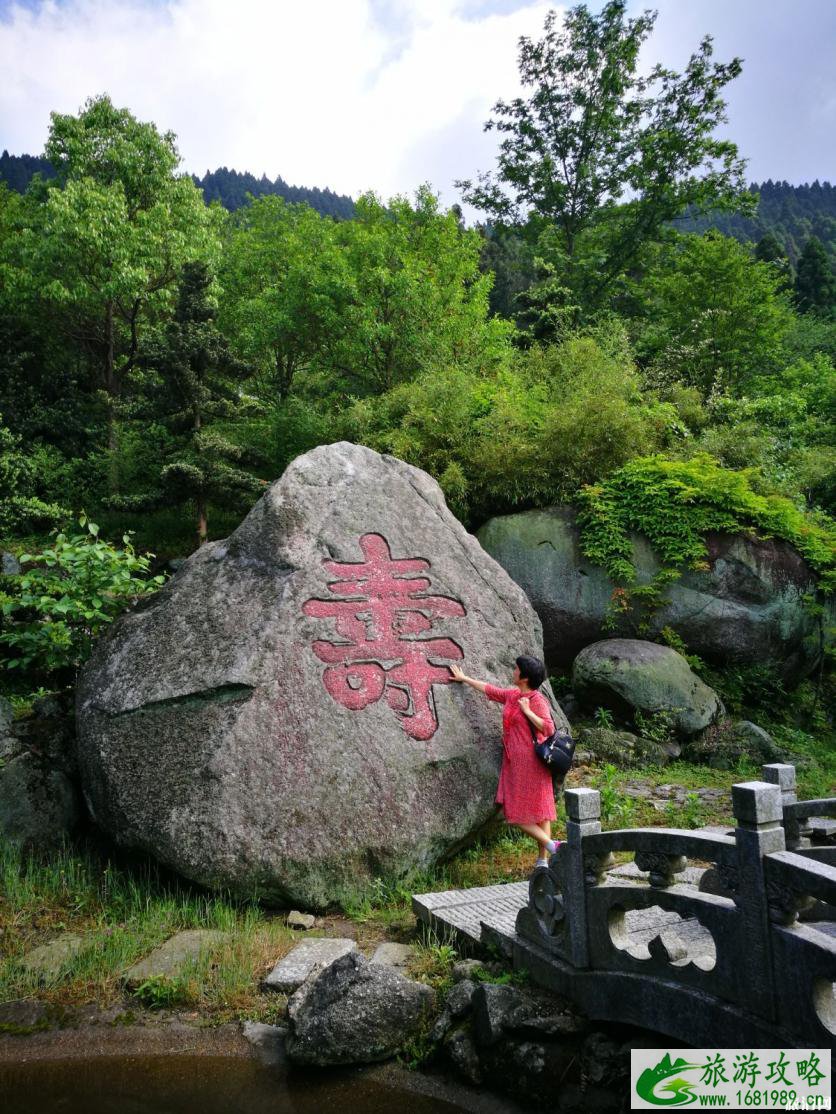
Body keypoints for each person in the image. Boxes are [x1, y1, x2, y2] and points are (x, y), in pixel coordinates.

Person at [449, 655, 561, 868]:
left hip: (533, 762)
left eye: (517, 669)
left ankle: (548, 851)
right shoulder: (513, 695)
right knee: (534, 811)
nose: (514, 671)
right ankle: (547, 855)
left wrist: (527, 711)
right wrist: (465, 678)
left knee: (532, 812)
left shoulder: (537, 700)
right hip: (514, 762)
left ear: (525, 677)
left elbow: (548, 728)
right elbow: (490, 690)